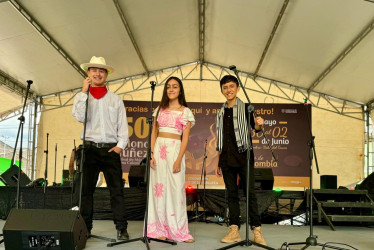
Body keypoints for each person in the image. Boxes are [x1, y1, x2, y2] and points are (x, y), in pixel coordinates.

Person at [72, 56, 129, 240]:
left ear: (107, 74)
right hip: (89, 149)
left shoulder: (115, 99)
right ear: (88, 73)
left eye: (101, 70)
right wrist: (83, 91)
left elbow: (123, 126)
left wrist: (120, 146)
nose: (98, 73)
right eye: (94, 70)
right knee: (86, 192)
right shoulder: (83, 97)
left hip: (110, 149)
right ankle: (86, 228)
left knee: (117, 191)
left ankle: (121, 228)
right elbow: (80, 117)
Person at [215, 75, 266, 245]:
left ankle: (256, 231)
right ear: (222, 91)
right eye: (225, 87)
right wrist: (217, 162)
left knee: (250, 194)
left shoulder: (246, 108)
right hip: (226, 158)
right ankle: (234, 230)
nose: (228, 90)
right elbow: (221, 139)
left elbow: (256, 129)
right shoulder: (221, 112)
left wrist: (259, 123)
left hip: (244, 156)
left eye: (231, 86)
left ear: (237, 88)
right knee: (231, 195)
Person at [146, 76, 195, 243]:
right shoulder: (159, 109)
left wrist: (178, 159)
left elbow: (186, 138)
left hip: (175, 151)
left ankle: (178, 230)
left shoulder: (185, 111)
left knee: (176, 190)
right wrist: (151, 154)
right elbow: (154, 133)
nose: (171, 89)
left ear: (180, 90)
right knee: (158, 190)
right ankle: (157, 228)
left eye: (175, 86)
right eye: (168, 87)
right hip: (159, 151)